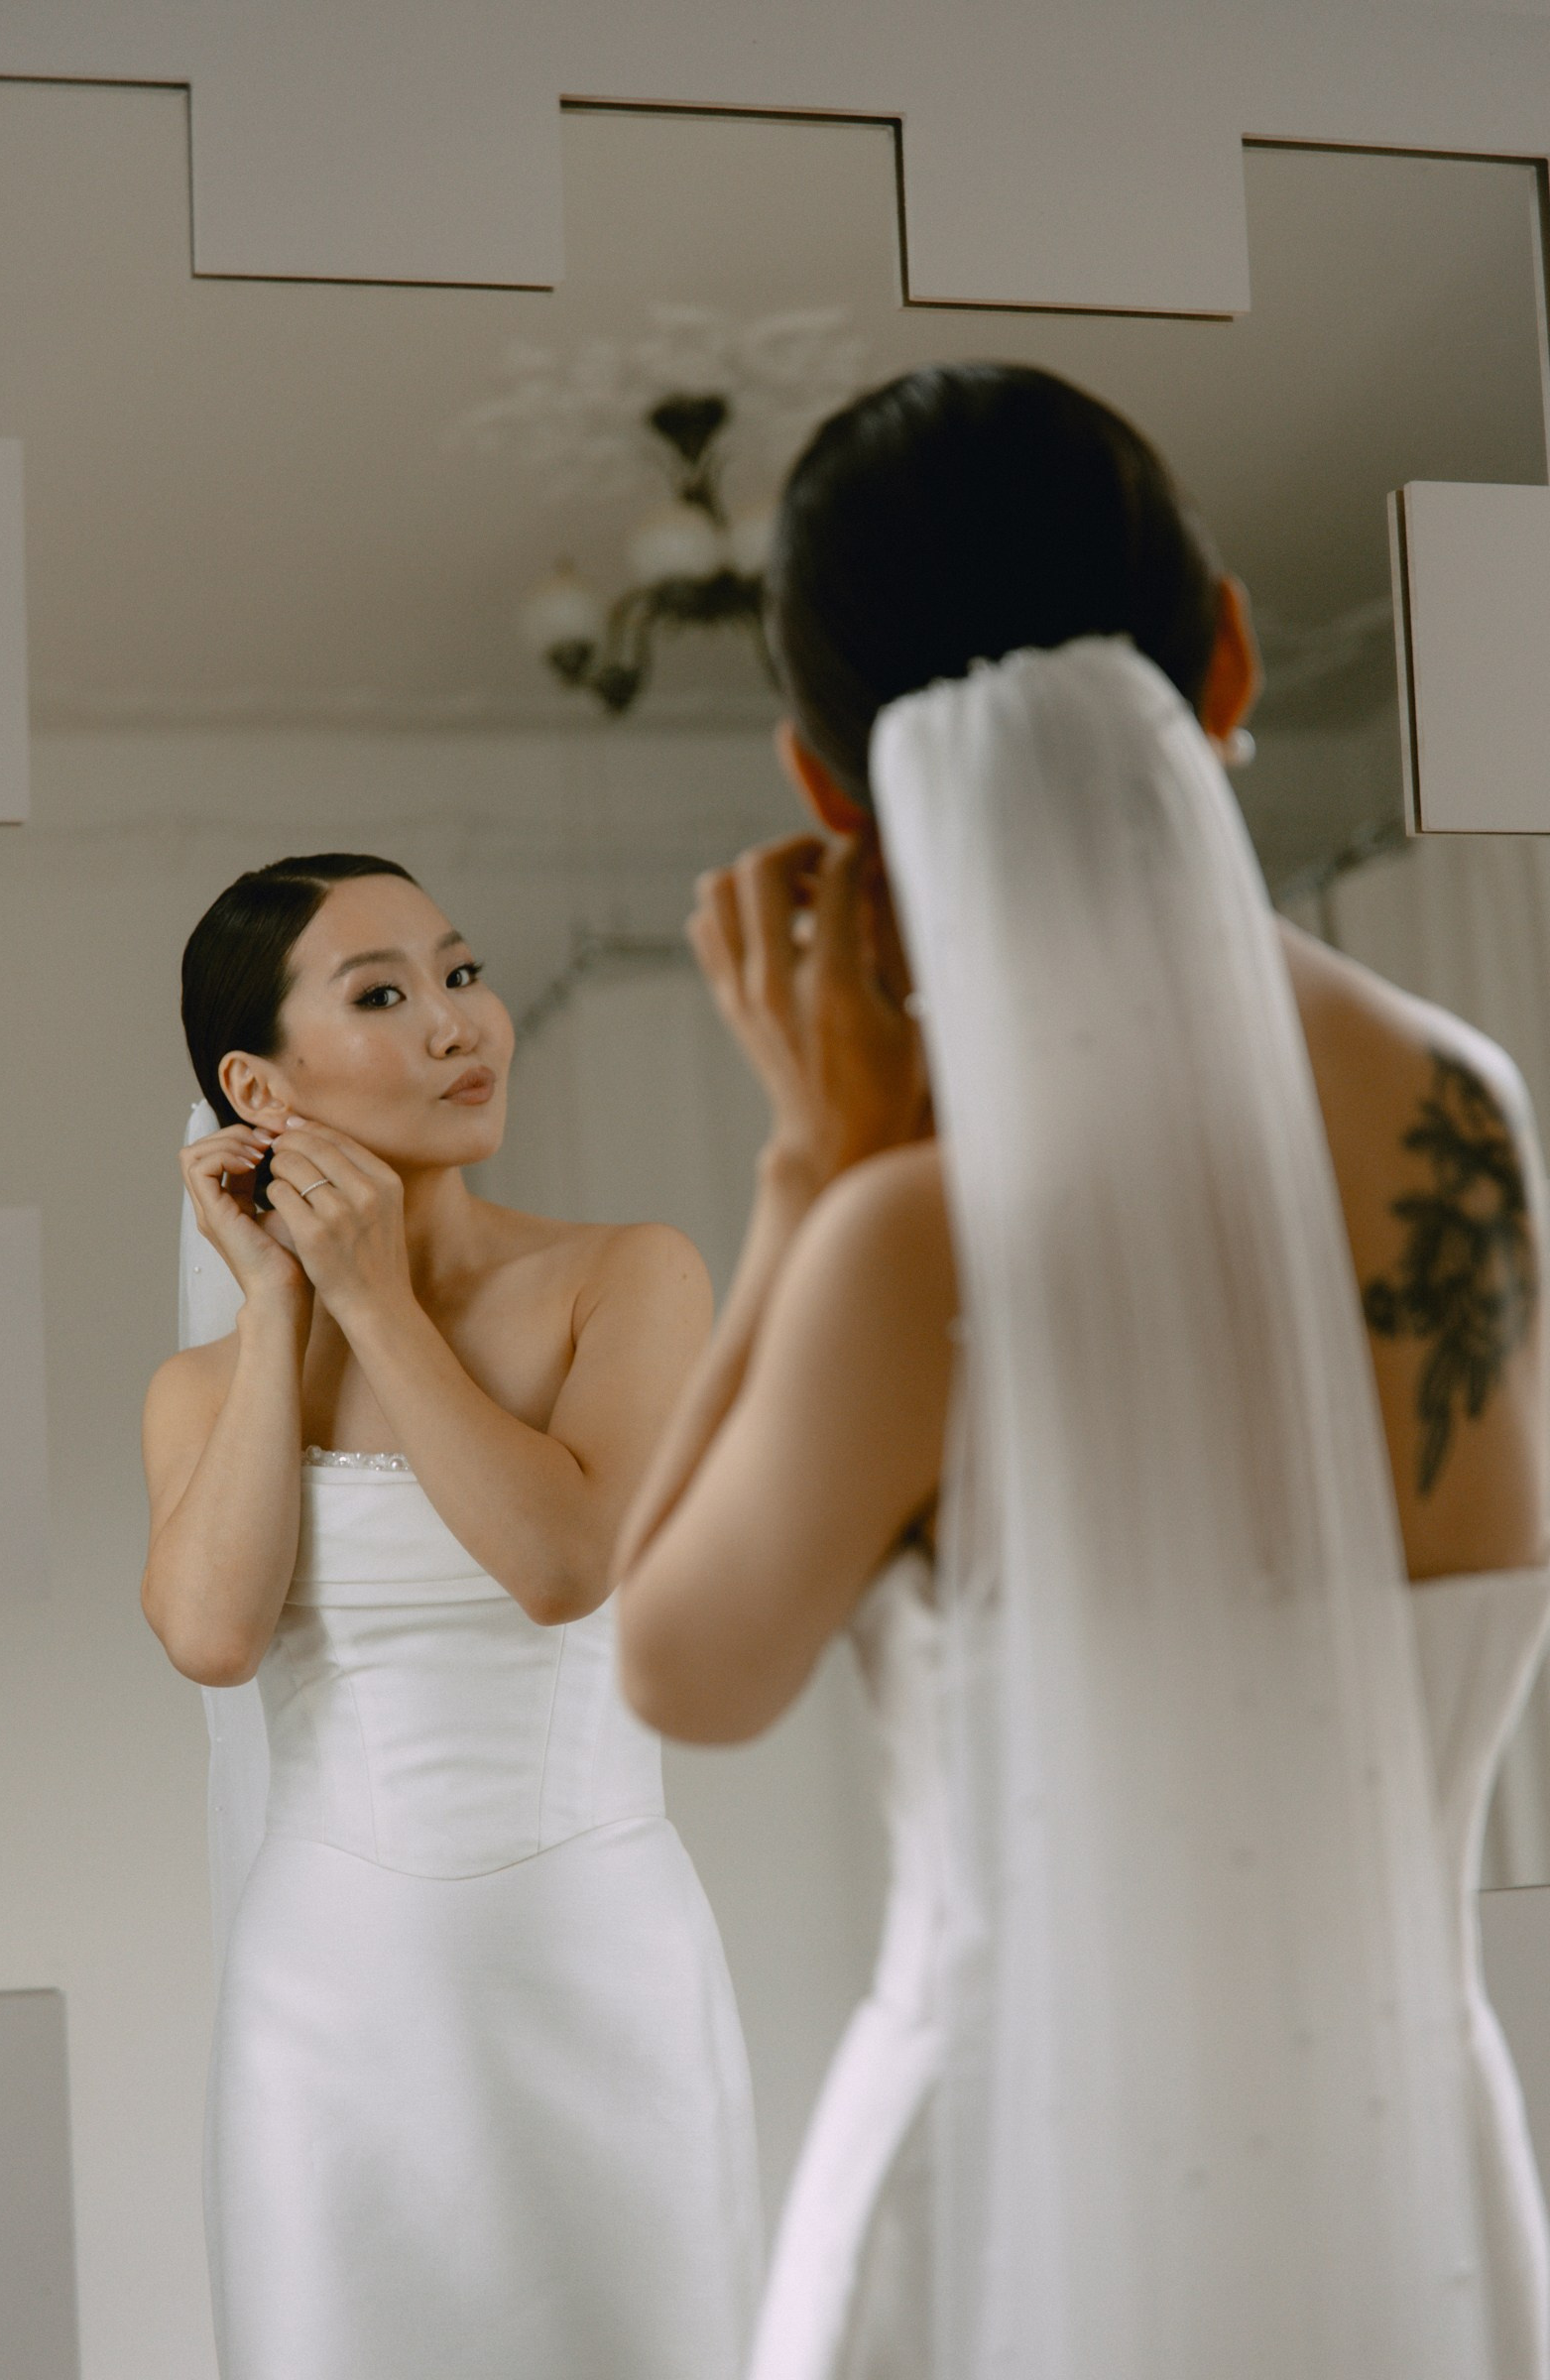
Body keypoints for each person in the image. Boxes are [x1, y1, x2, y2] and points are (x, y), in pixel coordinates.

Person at [612, 364, 1550, 2378]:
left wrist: (806, 1168)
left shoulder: (911, 1237)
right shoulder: (1463, 1123)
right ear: (1229, 658)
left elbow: (678, 1669)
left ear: (825, 791)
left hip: (998, 2201)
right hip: (1406, 2195)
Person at [141, 853, 761, 2380]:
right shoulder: (204, 1388)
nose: (456, 1024)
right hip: (329, 1995)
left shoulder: (625, 1278)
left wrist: (378, 1305)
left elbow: (562, 1565)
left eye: (464, 974)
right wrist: (279, 1310)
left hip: (594, 1966)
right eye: (382, 995)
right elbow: (213, 1639)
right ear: (257, 1088)